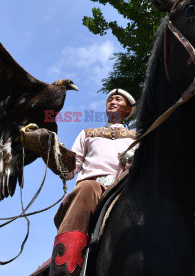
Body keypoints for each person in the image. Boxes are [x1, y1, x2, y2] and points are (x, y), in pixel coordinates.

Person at [49, 88, 137, 276]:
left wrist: (133, 161)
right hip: (91, 188)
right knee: (87, 188)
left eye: (118, 100)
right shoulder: (88, 133)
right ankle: (64, 270)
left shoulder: (137, 137)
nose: (112, 101)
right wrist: (52, 153)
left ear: (128, 109)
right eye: (110, 99)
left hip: (124, 187)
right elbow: (70, 172)